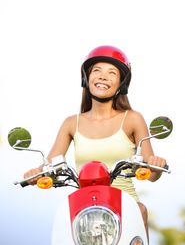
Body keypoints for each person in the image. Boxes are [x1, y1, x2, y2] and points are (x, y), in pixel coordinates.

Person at [24, 45, 167, 240]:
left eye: (112, 73)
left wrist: (156, 165)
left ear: (121, 83)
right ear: (87, 78)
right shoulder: (71, 123)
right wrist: (36, 173)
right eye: (96, 70)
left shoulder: (132, 119)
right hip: (83, 211)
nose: (102, 76)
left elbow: (151, 172)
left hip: (125, 208)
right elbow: (51, 162)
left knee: (140, 211)